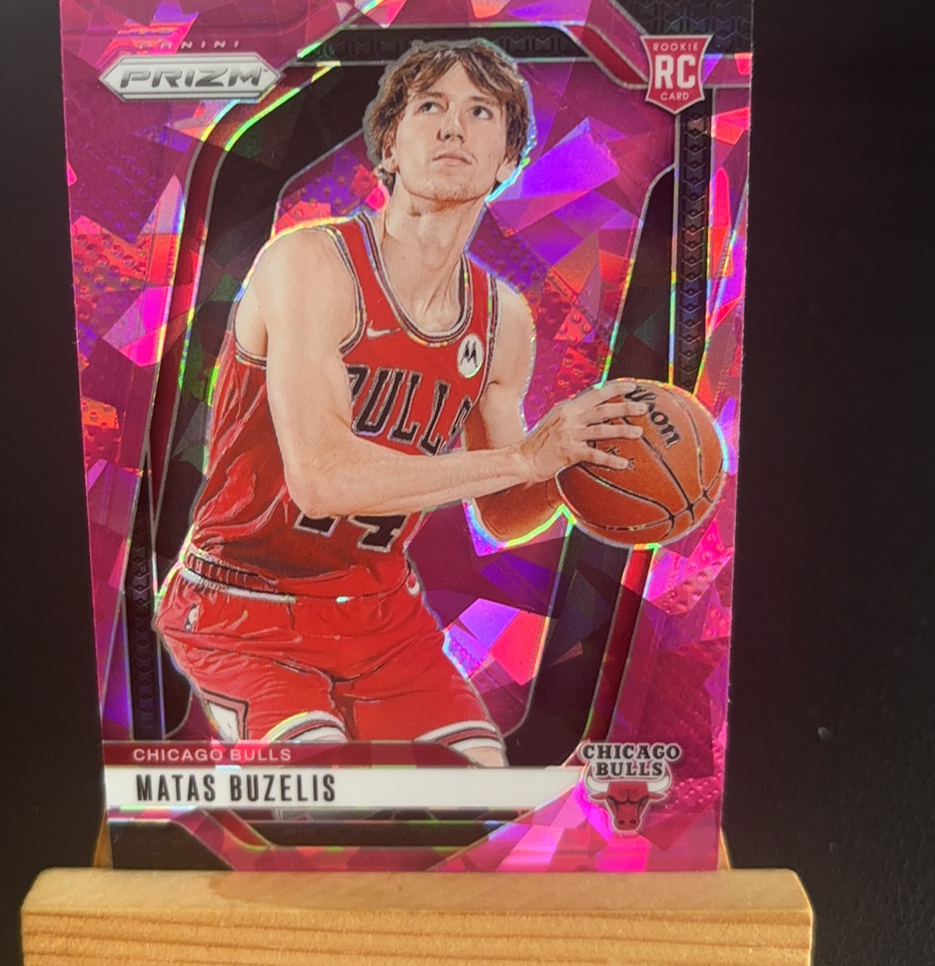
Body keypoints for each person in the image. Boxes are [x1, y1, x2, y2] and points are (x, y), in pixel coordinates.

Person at [154, 40, 647, 766]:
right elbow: (323, 479)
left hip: (381, 618)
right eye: (430, 106)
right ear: (387, 144)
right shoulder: (308, 263)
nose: (453, 126)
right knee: (327, 787)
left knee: (477, 790)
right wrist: (523, 457)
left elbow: (503, 512)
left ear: (507, 160)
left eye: (481, 112)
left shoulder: (502, 321)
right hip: (241, 602)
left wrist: (581, 464)